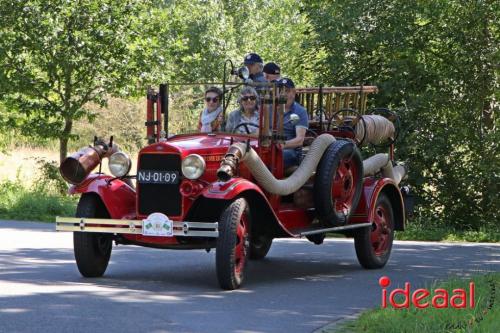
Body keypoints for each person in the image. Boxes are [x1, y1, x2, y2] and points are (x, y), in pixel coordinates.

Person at [277, 78, 308, 168]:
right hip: (270, 148)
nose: (283, 94)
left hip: (290, 151)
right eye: (280, 91)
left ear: (293, 93)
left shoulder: (299, 111)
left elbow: (299, 140)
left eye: (287, 91)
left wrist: (282, 145)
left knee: (276, 157)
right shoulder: (271, 109)